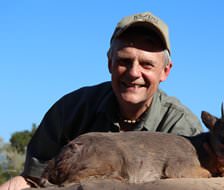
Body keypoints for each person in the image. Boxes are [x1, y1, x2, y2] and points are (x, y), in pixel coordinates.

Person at [0, 12, 202, 189]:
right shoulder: (71, 109)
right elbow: (33, 179)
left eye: (147, 64)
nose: (133, 73)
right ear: (109, 63)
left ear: (165, 71)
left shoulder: (181, 127)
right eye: (124, 61)